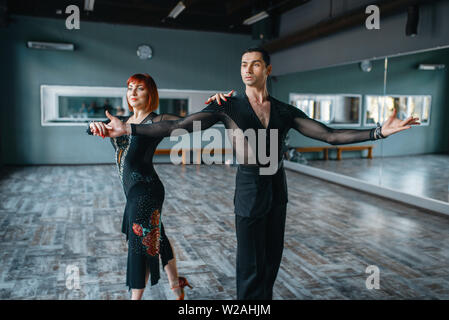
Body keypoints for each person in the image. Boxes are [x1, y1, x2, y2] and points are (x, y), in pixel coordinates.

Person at [100, 48, 421, 299]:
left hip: (277, 193)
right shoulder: (227, 105)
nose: (247, 70)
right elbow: (179, 127)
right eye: (243, 65)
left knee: (269, 266)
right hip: (249, 191)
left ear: (268, 70)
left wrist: (378, 132)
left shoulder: (283, 111)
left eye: (255, 64)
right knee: (249, 269)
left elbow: (330, 135)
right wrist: (130, 126)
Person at [87, 73, 195, 300]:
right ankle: (176, 284)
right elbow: (93, 129)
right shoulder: (123, 121)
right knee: (157, 236)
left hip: (146, 191)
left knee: (140, 247)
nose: (133, 93)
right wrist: (93, 125)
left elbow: (186, 123)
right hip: (134, 193)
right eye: (130, 88)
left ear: (150, 94)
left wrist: (219, 107)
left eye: (140, 88)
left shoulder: (155, 121)